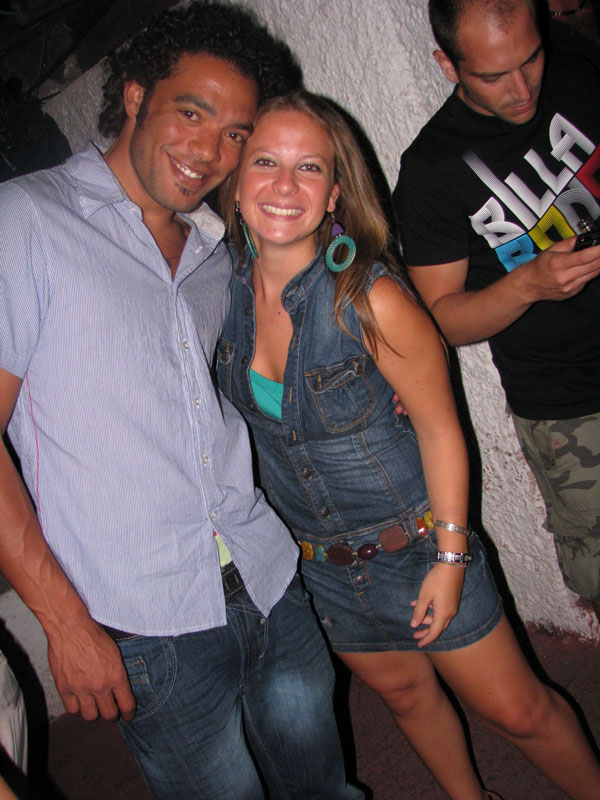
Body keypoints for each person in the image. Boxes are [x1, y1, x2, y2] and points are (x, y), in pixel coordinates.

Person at [0, 5, 364, 799]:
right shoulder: (26, 219)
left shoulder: (211, 250)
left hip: (264, 573)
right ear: (135, 95)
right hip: (145, 616)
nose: (209, 151)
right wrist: (63, 620)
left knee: (323, 786)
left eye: (234, 133)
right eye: (190, 113)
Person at [216, 88, 600, 800]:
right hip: (321, 567)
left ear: (335, 193)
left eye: (309, 167)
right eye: (265, 161)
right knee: (406, 698)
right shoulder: (219, 293)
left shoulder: (371, 296)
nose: (284, 185)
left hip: (419, 546)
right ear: (236, 181)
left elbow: (440, 429)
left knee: (518, 711)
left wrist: (451, 560)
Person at [394, 0, 600, 619]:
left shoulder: (576, 67)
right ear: (447, 65)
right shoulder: (431, 168)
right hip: (567, 398)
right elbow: (440, 320)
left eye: (531, 59)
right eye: (492, 76)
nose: (522, 88)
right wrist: (528, 284)